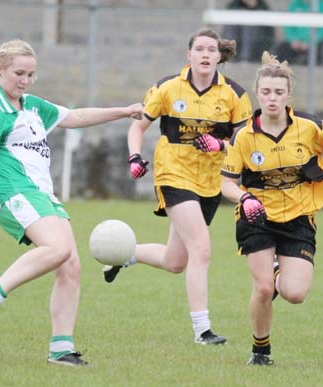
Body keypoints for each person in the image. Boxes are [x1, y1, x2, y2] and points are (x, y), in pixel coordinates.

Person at [0, 39, 143, 367]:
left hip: (42, 195)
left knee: (70, 267)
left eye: (31, 74)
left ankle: (61, 349)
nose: (25, 80)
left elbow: (74, 116)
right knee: (58, 249)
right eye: (19, 73)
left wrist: (122, 111)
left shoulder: (31, 105)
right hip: (13, 193)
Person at [220, 51, 323, 365]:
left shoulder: (308, 126)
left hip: (299, 218)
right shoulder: (243, 136)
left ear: (288, 95)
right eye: (266, 92)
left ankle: (279, 272)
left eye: (279, 92)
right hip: (257, 217)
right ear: (258, 93)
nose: (272, 98)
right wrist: (245, 198)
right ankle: (260, 351)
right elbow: (226, 184)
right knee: (264, 289)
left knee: (294, 294)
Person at [103, 28, 253, 345]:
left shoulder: (235, 95)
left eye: (211, 50)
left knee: (176, 261)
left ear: (218, 57)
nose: (204, 54)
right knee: (202, 248)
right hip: (173, 175)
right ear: (189, 55)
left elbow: (245, 144)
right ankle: (202, 330)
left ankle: (124, 255)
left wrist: (220, 146)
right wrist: (134, 156)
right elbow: (138, 126)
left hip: (212, 182)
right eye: (199, 49)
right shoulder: (167, 88)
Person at [273, 0, 323, 65]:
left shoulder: (322, 4)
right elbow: (288, 26)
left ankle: (304, 60)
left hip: (313, 41)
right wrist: (292, 40)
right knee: (280, 48)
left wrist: (309, 42)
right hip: (295, 42)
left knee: (318, 49)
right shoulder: (295, 3)